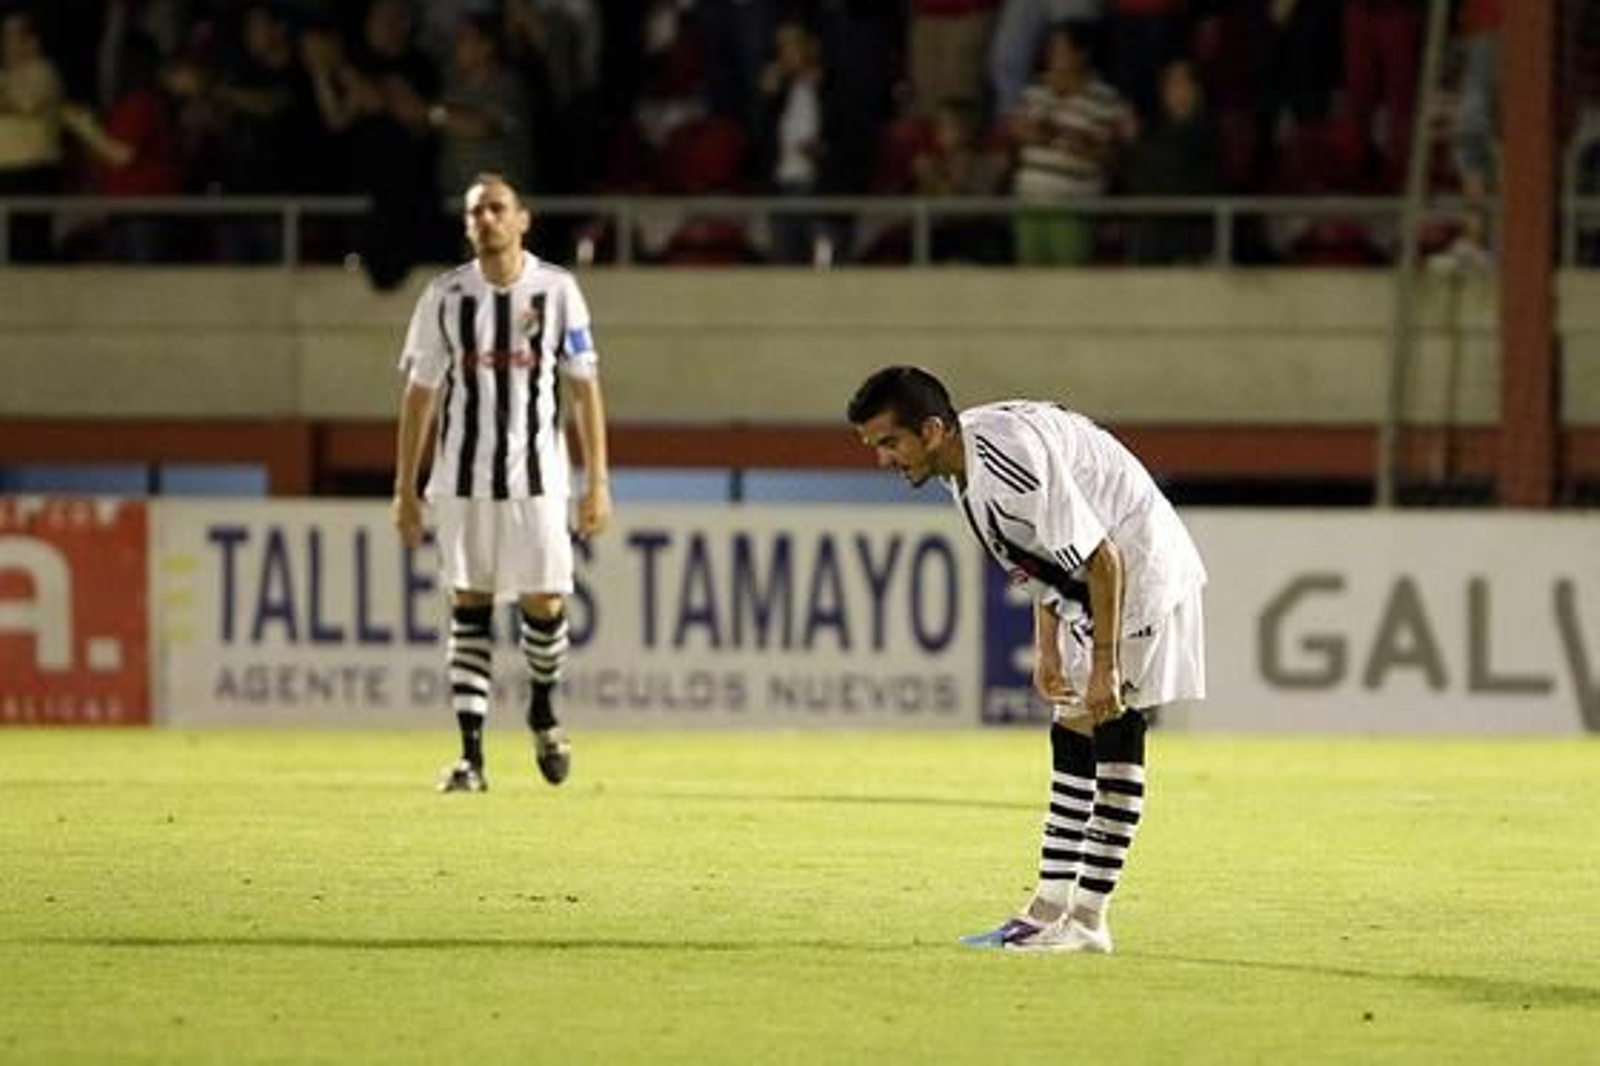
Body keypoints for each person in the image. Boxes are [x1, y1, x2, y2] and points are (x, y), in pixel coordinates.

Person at [846, 366, 1206, 953]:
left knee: (1113, 719)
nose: (884, 459)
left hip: (1137, 569)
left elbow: (1105, 557)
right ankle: (1048, 908)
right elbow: (1044, 557)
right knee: (1072, 726)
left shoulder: (1005, 470)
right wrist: (1048, 647)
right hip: (1097, 581)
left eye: (890, 443)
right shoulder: (963, 466)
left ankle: (1089, 920)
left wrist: (1105, 663)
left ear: (932, 430)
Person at [393, 172, 612, 793]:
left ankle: (543, 710)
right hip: (462, 481)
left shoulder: (558, 291)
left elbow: (585, 389)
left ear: (522, 219)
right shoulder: (444, 296)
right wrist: (404, 489)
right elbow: (418, 398)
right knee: (469, 604)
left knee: (544, 605)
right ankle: (471, 757)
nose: (486, 219)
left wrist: (598, 482)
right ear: (467, 226)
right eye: (475, 212)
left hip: (538, 481)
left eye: (496, 208)